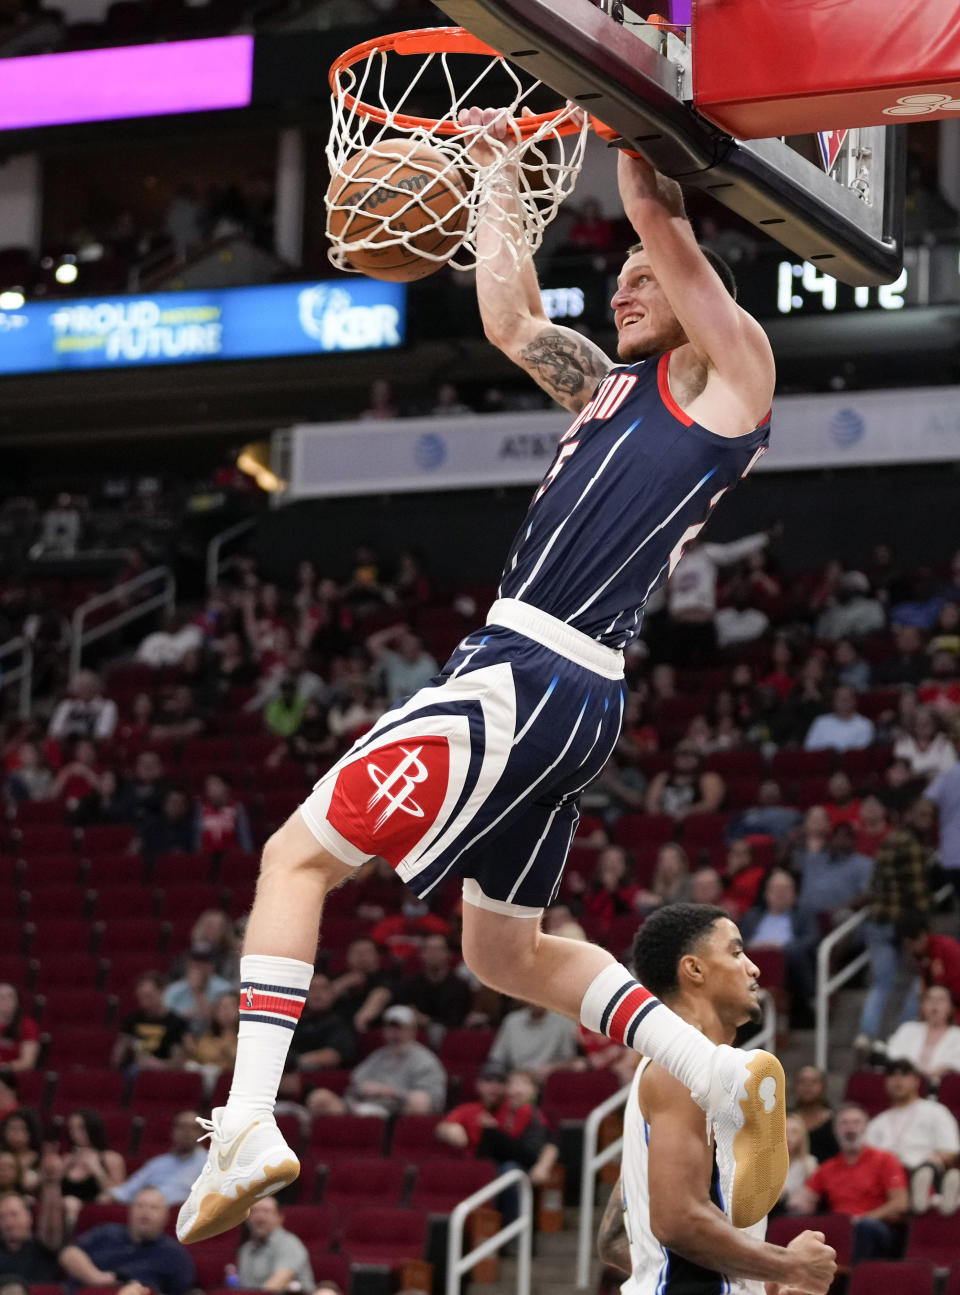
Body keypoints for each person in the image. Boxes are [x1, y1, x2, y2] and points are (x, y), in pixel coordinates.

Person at [176, 114, 787, 1246]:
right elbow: (511, 317)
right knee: (499, 952)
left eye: (640, 281)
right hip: (570, 696)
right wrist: (501, 170)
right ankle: (713, 1074)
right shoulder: (615, 394)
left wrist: (618, 101)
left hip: (529, 667)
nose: (621, 293)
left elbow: (660, 216)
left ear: (702, 291)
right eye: (615, 284)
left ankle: (249, 1118)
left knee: (293, 857)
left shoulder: (731, 375)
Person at [596, 903, 835, 1293]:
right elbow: (676, 1220)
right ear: (694, 969)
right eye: (737, 952)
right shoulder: (684, 1068)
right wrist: (788, 1266)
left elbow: (616, 1239)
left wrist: (761, 1282)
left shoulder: (676, 1068)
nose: (754, 968)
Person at [796, 1104, 908, 1264]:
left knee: (865, 1228)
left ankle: (856, 1282)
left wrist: (862, 1219)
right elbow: (804, 1199)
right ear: (835, 1130)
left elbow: (900, 1203)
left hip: (875, 1227)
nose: (850, 1129)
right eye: (844, 1123)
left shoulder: (885, 1159)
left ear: (866, 1127)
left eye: (856, 1123)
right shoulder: (828, 1167)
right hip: (839, 1230)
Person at [306, 1004, 446, 1118]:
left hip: (397, 1112)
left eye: (400, 1029)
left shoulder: (425, 1061)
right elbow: (357, 1080)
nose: (395, 1034)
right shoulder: (379, 1055)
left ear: (412, 1031)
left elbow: (430, 1100)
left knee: (418, 1101)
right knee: (319, 1098)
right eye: (390, 1029)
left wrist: (390, 1092)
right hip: (360, 1103)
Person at [864, 1058, 960, 1214]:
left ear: (916, 1081)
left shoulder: (936, 1111)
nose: (898, 1080)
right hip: (888, 1179)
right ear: (885, 1083)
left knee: (928, 1170)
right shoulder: (877, 1122)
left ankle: (934, 1194)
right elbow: (867, 1157)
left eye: (904, 1075)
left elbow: (951, 1150)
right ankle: (924, 1198)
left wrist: (932, 1162)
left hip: (922, 1168)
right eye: (892, 1076)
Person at [59, 1186, 195, 1294]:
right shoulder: (106, 1232)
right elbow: (68, 1253)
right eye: (140, 1205)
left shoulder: (175, 1254)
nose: (145, 1212)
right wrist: (97, 1278)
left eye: (154, 1208)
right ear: (130, 1210)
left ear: (166, 1217)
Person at [739, 870, 819, 1028]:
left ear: (794, 893)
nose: (780, 893)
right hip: (753, 963)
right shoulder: (752, 915)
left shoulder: (803, 914)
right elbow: (738, 941)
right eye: (776, 889)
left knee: (794, 956)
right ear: (767, 893)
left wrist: (782, 947)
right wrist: (755, 946)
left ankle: (795, 1010)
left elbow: (811, 940)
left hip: (787, 965)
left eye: (786, 889)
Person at [110, 1113, 208, 1206]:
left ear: (202, 1132)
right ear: (173, 1131)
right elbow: (124, 1192)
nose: (187, 1132)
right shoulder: (158, 1163)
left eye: (194, 1127)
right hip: (147, 1214)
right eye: (182, 1126)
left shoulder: (211, 1163)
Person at [0, 1156, 66, 1281]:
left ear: (28, 1217)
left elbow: (52, 1228)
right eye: (1, 1217)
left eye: (14, 1214)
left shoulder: (43, 1246)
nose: (8, 1221)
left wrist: (51, 1185)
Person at [111, 973, 189, 1071]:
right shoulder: (131, 1020)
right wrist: (125, 1046)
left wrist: (156, 1064)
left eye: (149, 996)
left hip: (163, 1075)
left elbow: (178, 1065)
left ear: (162, 992)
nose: (144, 1001)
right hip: (134, 1071)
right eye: (141, 996)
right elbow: (116, 1061)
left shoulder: (177, 1023)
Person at [60, 1110, 126, 1224]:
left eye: (81, 1128)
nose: (75, 1133)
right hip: (64, 1216)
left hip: (98, 1218)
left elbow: (118, 1197)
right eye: (72, 1128)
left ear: (92, 1128)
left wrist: (97, 1170)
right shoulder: (66, 1160)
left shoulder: (111, 1159)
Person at [236, 1197, 314, 1292]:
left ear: (280, 1217)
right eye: (254, 1211)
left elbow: (277, 1285)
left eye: (266, 1211)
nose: (260, 1218)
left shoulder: (289, 1243)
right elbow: (244, 1288)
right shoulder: (246, 1249)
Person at [487, 1001, 578, 1082]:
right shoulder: (511, 1021)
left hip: (548, 1080)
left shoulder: (564, 1023)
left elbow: (571, 1062)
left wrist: (553, 1068)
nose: (536, 1001)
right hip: (515, 1079)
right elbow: (497, 1058)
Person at [885, 984, 960, 1079]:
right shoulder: (908, 1029)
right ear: (922, 1005)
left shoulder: (958, 1035)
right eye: (929, 999)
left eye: (941, 999)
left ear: (951, 1007)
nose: (934, 1003)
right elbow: (893, 1054)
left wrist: (945, 1068)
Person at [163, 948, 234, 1038]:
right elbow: (164, 1020)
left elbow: (221, 1022)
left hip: (213, 1039)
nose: (199, 966)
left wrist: (197, 992)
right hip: (179, 1039)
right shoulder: (174, 990)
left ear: (212, 965)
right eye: (195, 962)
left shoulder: (224, 988)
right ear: (188, 965)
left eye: (204, 962)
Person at [803, 684, 875, 752]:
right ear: (833, 701)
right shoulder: (820, 722)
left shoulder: (865, 724)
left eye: (847, 698)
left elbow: (860, 753)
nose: (844, 701)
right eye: (840, 698)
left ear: (854, 701)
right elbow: (809, 748)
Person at [792, 1067, 839, 1165]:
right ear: (795, 1086)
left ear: (823, 1086)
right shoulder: (785, 1120)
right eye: (802, 1082)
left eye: (813, 1082)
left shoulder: (835, 1122)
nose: (807, 1086)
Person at [776, 1114, 819, 1216]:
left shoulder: (809, 1163)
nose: (788, 1136)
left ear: (802, 1137)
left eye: (794, 1132)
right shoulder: (766, 1163)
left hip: (797, 1215)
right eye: (784, 1130)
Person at [0, 986, 39, 1075]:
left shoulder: (27, 1025)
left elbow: (27, 1062)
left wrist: (3, 1067)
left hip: (12, 1074)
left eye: (10, 997)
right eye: (1, 997)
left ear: (17, 1001)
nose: (5, 1001)